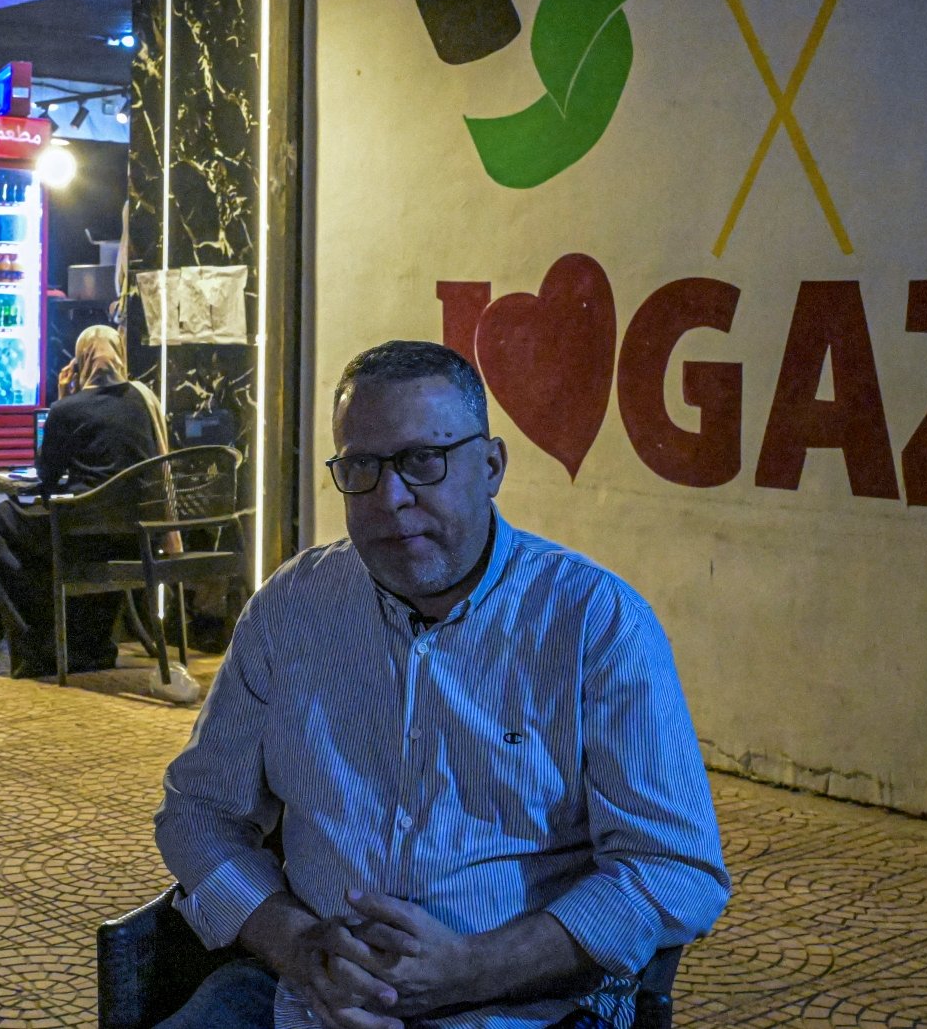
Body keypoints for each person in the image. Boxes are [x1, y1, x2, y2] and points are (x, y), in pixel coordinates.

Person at [153, 340, 729, 1029]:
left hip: (522, 1008)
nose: (391, 498)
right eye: (362, 466)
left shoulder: (592, 623)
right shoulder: (291, 610)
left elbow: (673, 868)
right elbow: (197, 811)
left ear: (490, 466)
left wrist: (476, 966)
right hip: (304, 997)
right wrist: (296, 943)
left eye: (423, 460)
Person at [0, 323, 169, 678]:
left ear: (82, 360)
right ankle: (90, 645)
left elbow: (47, 476)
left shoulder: (68, 409)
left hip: (83, 535)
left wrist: (61, 397)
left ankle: (34, 649)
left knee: (2, 520)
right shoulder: (144, 402)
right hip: (137, 537)